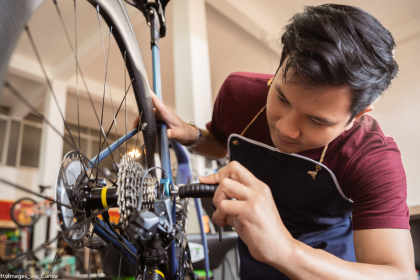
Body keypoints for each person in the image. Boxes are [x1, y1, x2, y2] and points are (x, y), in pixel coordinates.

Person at [134, 4, 416, 279]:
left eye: (317, 121)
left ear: (358, 116)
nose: (285, 129)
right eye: (282, 98)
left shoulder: (373, 158)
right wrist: (191, 134)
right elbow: (222, 143)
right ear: (281, 62)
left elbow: (397, 274)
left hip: (329, 267)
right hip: (254, 263)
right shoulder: (238, 94)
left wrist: (285, 250)